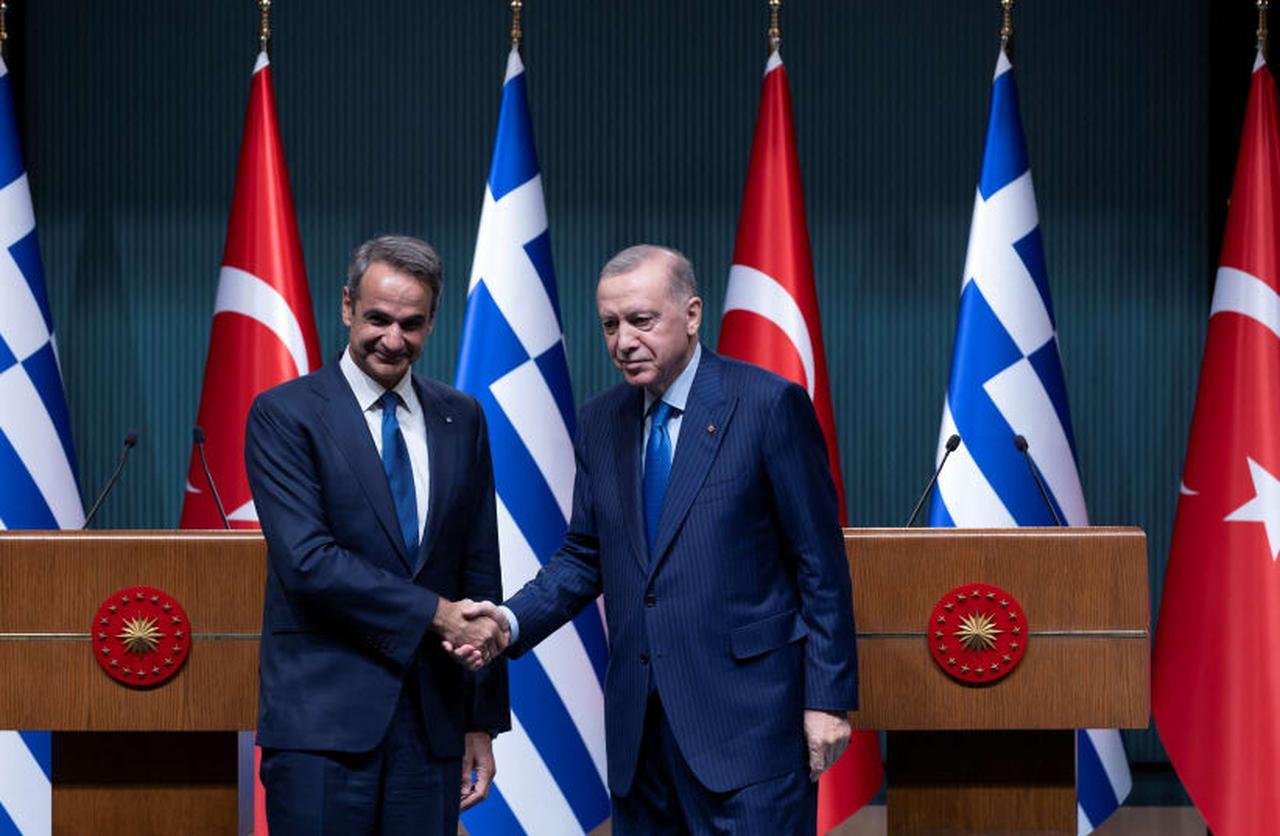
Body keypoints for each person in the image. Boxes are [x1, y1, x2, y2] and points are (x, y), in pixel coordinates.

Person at [453, 244, 859, 833]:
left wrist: (827, 700)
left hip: (748, 732)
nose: (623, 340)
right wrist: (507, 623)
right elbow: (584, 556)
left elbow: (819, 564)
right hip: (640, 738)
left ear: (692, 315)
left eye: (642, 321)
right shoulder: (599, 421)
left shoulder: (769, 406)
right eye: (610, 325)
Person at [246, 234, 510, 834]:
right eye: (378, 319)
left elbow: (479, 569)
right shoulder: (286, 414)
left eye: (411, 324)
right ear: (346, 307)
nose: (393, 339)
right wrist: (438, 614)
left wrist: (480, 720)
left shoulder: (460, 416)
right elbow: (309, 563)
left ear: (432, 321)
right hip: (323, 732)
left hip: (432, 727)